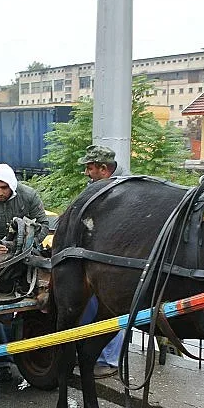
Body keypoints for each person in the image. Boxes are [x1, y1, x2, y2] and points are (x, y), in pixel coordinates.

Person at [0, 163, 49, 382]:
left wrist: (27, 242)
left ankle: (31, 351)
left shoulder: (29, 196)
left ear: (12, 187)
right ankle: (3, 359)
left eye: (3, 188)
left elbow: (43, 224)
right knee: (1, 304)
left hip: (26, 256)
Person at [77, 144, 126, 377]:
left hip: (119, 263)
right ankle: (91, 353)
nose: (86, 172)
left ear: (104, 169)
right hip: (98, 259)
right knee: (90, 306)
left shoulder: (125, 190)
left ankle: (110, 360)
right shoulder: (99, 186)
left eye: (90, 168)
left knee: (114, 308)